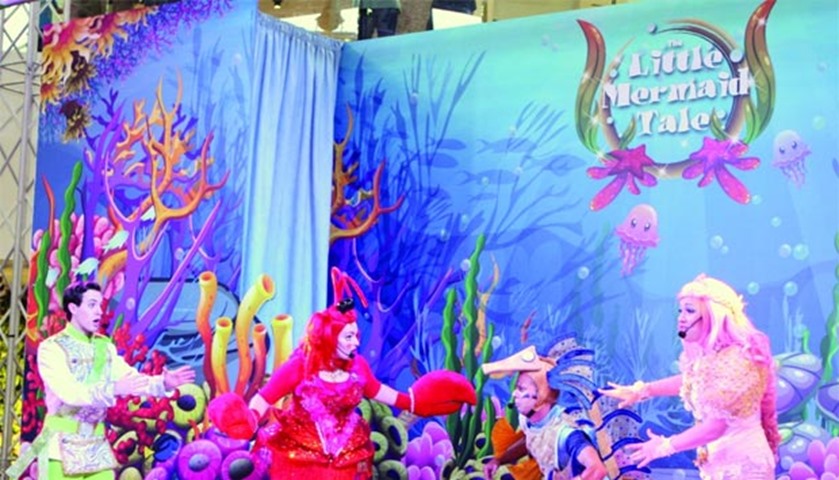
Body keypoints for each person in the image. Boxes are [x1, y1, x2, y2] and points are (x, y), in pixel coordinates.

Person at [209, 268, 477, 479]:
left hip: (347, 458)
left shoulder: (358, 367)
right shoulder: (300, 366)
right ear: (329, 337)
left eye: (356, 335)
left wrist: (414, 401)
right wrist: (248, 419)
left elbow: (380, 391)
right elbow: (265, 397)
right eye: (348, 336)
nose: (355, 342)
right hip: (300, 459)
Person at [7, 281, 195, 480]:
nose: (99, 311)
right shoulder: (52, 348)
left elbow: (130, 379)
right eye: (92, 305)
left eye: (100, 305)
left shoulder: (104, 348)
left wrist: (162, 383)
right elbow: (69, 392)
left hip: (96, 450)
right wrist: (112, 388)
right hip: (60, 449)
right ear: (73, 308)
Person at [601, 274, 779, 478]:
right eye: (681, 310)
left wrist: (664, 446)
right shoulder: (712, 357)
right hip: (720, 464)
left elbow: (715, 427)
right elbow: (692, 381)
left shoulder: (736, 359)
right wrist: (643, 390)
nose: (681, 317)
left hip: (744, 466)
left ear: (714, 315)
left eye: (690, 310)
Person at [481, 343, 609, 480]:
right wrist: (499, 460)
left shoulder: (566, 434)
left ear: (541, 395)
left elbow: (597, 469)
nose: (514, 394)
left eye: (521, 389)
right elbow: (532, 439)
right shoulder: (529, 421)